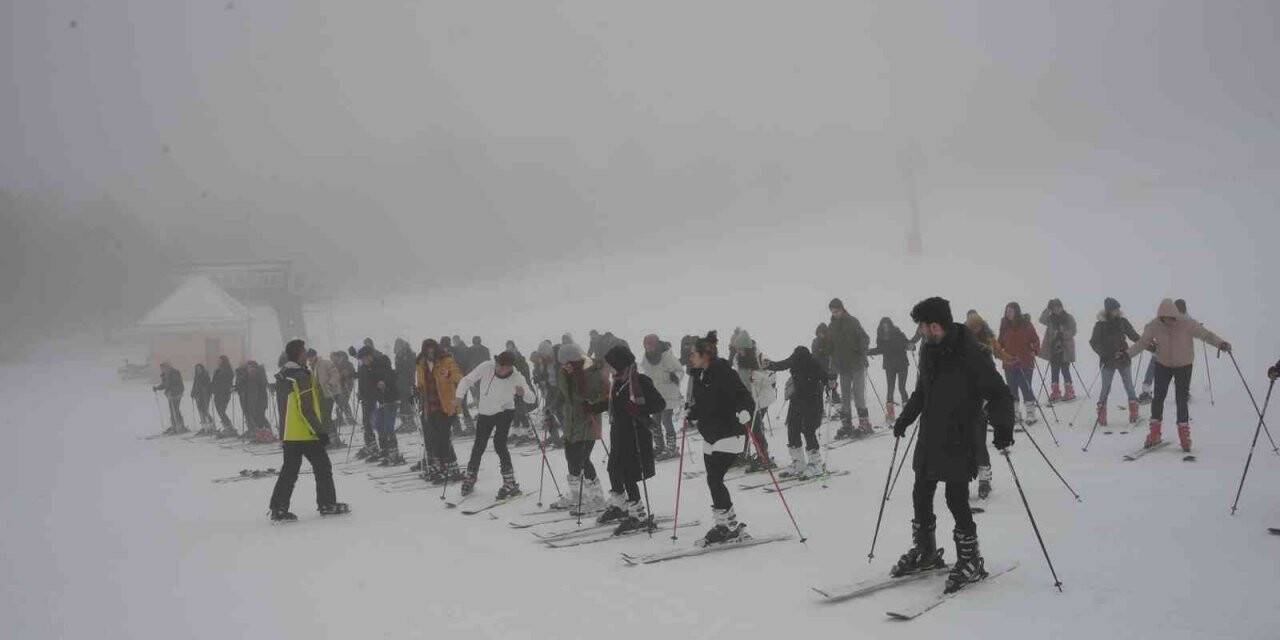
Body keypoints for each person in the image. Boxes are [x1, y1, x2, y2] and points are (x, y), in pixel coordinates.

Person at [890, 297, 1015, 593]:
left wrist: (1003, 428)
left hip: (960, 436)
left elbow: (999, 393)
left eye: (922, 327)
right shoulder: (928, 349)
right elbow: (922, 390)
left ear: (935, 325)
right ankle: (926, 553)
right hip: (931, 435)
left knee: (955, 498)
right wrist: (905, 419)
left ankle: (971, 560)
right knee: (921, 492)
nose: (920, 332)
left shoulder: (971, 353)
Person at [1125, 298, 1230, 452]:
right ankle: (1154, 434)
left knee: (1181, 399)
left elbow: (1206, 335)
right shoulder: (1155, 325)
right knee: (1158, 397)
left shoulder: (1187, 323)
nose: (1167, 321)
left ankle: (1184, 436)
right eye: (1164, 318)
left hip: (1184, 365)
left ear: (1174, 314)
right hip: (1163, 364)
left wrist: (1221, 343)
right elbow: (1142, 343)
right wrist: (1127, 354)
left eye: (1170, 317)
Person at [685, 332, 756, 545]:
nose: (690, 358)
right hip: (710, 434)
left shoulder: (724, 372)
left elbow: (744, 396)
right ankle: (724, 524)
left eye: (693, 354)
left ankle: (729, 526)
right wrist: (692, 413)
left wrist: (745, 410)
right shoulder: (700, 376)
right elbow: (705, 404)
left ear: (705, 355)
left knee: (715, 479)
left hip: (730, 432)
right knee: (713, 479)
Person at [267, 339, 348, 522]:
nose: (306, 354)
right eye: (303, 351)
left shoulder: (283, 374)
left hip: (290, 432)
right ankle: (327, 503)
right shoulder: (301, 375)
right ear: (298, 354)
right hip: (306, 432)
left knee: (289, 471)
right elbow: (305, 407)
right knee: (323, 467)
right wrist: (320, 431)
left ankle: (278, 508)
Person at [590, 345, 666, 534]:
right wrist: (593, 407)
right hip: (619, 434)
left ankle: (638, 515)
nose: (609, 369)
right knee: (613, 469)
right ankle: (620, 506)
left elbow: (659, 403)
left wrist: (639, 409)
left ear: (620, 365)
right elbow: (615, 404)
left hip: (636, 436)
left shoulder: (640, 381)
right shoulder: (618, 382)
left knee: (628, 475)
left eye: (611, 366)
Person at [457, 351, 531, 498]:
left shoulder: (516, 376)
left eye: (504, 368)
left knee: (500, 444)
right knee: (479, 444)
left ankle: (509, 481)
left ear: (510, 367)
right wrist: (459, 396)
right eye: (499, 366)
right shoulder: (487, 366)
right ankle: (471, 476)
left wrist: (523, 393)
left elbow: (531, 398)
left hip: (505, 411)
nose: (500, 369)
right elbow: (467, 380)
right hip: (485, 412)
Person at [550, 343, 608, 510]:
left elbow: (604, 395)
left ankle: (597, 498)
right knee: (571, 458)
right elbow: (562, 394)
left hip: (588, 421)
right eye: (563, 363)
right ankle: (577, 495)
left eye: (568, 363)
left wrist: (592, 403)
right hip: (570, 422)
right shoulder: (563, 373)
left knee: (583, 460)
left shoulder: (592, 373)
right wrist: (550, 409)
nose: (565, 366)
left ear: (577, 361)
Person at [764, 346, 834, 477]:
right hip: (797, 400)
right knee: (792, 427)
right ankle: (799, 463)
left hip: (812, 401)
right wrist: (770, 365)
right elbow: (783, 364)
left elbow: (825, 378)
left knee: (808, 430)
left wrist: (831, 381)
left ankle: (816, 464)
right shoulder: (796, 359)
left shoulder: (813, 363)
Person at [415, 339, 465, 483]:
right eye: (427, 350)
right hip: (429, 407)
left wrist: (449, 375)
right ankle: (440, 466)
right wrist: (417, 391)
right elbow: (421, 384)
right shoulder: (421, 364)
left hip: (446, 407)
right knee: (433, 439)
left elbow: (459, 377)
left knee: (444, 438)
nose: (430, 353)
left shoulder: (446, 361)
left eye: (432, 350)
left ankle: (451, 467)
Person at [1089, 297, 1142, 427]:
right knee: (1106, 387)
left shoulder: (1122, 322)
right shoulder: (1100, 325)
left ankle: (1134, 413)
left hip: (1123, 357)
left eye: (1118, 309)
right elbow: (1094, 342)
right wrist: (1105, 354)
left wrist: (1145, 343)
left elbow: (1133, 335)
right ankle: (1101, 414)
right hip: (1107, 360)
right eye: (1115, 309)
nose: (1117, 311)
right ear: (1108, 310)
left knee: (1129, 385)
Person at [731, 330, 777, 469]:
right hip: (746, 397)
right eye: (737, 349)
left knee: (755, 427)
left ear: (747, 347)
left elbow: (771, 374)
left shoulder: (760, 356)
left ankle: (764, 457)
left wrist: (757, 378)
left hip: (760, 398)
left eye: (741, 349)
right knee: (743, 426)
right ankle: (743, 454)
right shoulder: (737, 358)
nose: (738, 351)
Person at [828, 298, 873, 438]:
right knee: (845, 398)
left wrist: (860, 351)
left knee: (858, 395)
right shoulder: (831, 327)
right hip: (843, 367)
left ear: (842, 309)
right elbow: (831, 348)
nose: (835, 314)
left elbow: (865, 339)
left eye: (837, 311)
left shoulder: (853, 322)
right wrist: (832, 363)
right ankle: (847, 425)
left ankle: (865, 424)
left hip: (857, 365)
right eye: (833, 312)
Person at [357, 345, 405, 465]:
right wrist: (362, 394)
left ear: (370, 356)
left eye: (364, 359)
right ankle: (385, 450)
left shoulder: (381, 363)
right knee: (379, 426)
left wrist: (384, 382)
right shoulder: (365, 368)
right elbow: (366, 384)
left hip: (389, 398)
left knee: (388, 426)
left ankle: (394, 453)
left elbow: (392, 375)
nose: (363, 362)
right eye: (361, 360)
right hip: (377, 400)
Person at [997, 302, 1041, 425]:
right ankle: (1015, 413)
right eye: (1007, 311)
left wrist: (1034, 349)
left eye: (1010, 311)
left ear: (1017, 311)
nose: (1008, 313)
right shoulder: (1004, 326)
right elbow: (1000, 343)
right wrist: (996, 349)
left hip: (1025, 362)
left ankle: (1030, 413)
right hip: (1009, 363)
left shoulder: (1026, 324)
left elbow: (1035, 340)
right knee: (1011, 389)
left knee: (1025, 387)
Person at [640, 334, 684, 457]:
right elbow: (647, 375)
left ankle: (672, 448)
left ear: (656, 345)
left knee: (666, 420)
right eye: (647, 347)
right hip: (655, 395)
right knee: (655, 422)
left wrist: (674, 376)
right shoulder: (646, 359)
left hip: (669, 394)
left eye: (651, 347)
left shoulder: (667, 356)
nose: (649, 349)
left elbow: (680, 370)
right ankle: (659, 447)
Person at [868, 317, 915, 421]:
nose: (886, 328)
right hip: (890, 366)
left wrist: (911, 346)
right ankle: (890, 415)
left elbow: (907, 344)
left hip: (902, 364)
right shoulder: (880, 337)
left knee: (901, 388)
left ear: (890, 325)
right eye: (883, 326)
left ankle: (906, 413)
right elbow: (879, 350)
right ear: (881, 327)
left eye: (887, 325)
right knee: (890, 389)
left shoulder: (898, 333)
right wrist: (868, 352)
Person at [1038, 299, 1078, 402]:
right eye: (1053, 308)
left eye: (1057, 307)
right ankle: (1056, 392)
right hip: (1053, 347)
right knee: (1054, 370)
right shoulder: (1050, 318)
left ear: (1061, 307)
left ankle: (1069, 391)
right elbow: (1041, 319)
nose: (1056, 309)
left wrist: (1062, 333)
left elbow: (1073, 331)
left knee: (1065, 369)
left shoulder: (1068, 317)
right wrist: (1047, 309)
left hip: (1065, 348)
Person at [308, 349, 344, 447]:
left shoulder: (325, 363)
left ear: (315, 355)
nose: (310, 360)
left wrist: (331, 383)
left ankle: (333, 439)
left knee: (325, 416)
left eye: (311, 357)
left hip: (330, 392)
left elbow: (335, 374)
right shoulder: (312, 367)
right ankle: (332, 438)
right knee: (324, 416)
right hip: (320, 394)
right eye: (308, 358)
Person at [153, 362, 187, 434]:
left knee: (175, 410)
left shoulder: (173, 372)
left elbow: (173, 383)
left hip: (176, 393)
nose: (162, 369)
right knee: (173, 410)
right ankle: (176, 425)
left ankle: (179, 426)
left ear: (167, 367)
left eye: (163, 368)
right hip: (171, 394)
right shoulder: (166, 374)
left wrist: (170, 390)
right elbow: (165, 384)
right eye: (161, 368)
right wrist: (157, 388)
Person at [331, 350, 357, 428]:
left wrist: (345, 374)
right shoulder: (335, 364)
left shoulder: (347, 364)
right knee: (341, 402)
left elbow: (352, 373)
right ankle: (343, 419)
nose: (334, 359)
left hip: (346, 386)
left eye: (335, 357)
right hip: (338, 387)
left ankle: (347, 419)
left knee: (343, 402)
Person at [211, 356, 236, 437]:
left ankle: (229, 427)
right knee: (219, 410)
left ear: (224, 361)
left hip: (224, 393)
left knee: (222, 410)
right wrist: (212, 389)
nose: (218, 362)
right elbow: (214, 381)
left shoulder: (228, 370)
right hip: (217, 393)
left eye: (220, 360)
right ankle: (227, 426)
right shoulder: (217, 371)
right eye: (218, 360)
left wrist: (226, 388)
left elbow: (228, 381)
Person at [191, 363, 214, 434]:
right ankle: (204, 427)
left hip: (204, 395)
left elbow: (208, 385)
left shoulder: (205, 375)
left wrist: (208, 392)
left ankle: (211, 425)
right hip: (198, 395)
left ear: (202, 368)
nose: (198, 370)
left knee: (205, 410)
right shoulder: (196, 376)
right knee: (200, 410)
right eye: (197, 369)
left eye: (199, 368)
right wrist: (192, 392)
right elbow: (194, 385)